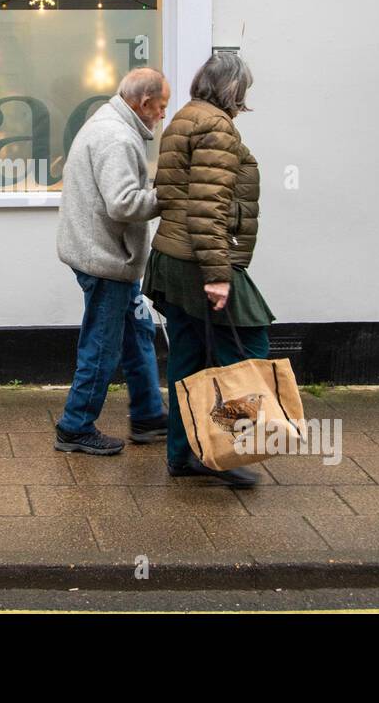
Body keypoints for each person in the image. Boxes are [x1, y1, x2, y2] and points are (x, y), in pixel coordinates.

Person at [143, 51, 272, 487]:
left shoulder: (185, 116)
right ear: (232, 89)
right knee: (247, 346)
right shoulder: (215, 125)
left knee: (189, 357)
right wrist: (218, 275)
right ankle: (226, 453)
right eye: (243, 91)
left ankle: (184, 455)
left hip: (173, 258)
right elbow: (206, 207)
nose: (244, 100)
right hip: (201, 262)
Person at [54, 68, 171, 455]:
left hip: (106, 254)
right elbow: (122, 202)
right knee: (102, 344)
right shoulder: (117, 137)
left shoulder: (110, 124)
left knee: (137, 334)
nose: (162, 115)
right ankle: (75, 426)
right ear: (143, 102)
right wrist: (164, 198)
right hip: (105, 260)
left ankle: (149, 415)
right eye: (161, 107)